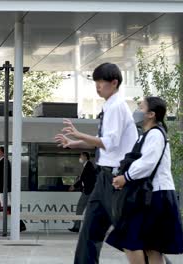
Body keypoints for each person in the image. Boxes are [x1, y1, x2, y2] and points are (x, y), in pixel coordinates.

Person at [55, 62, 138, 264]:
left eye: (101, 82)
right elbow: (99, 139)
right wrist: (72, 143)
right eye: (96, 82)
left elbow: (109, 143)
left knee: (130, 235)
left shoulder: (117, 107)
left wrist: (77, 134)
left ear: (114, 82)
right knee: (89, 232)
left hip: (116, 179)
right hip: (104, 178)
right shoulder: (109, 106)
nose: (97, 86)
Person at [107, 96, 183, 264]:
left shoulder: (155, 135)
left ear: (151, 114)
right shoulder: (147, 135)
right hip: (151, 195)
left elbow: (147, 163)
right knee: (150, 246)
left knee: (134, 241)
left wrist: (126, 178)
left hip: (155, 195)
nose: (137, 111)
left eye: (140, 107)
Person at [0, 146, 26, 233]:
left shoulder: (4, 162)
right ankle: (21, 226)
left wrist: (3, 191)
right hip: (2, 191)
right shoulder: (3, 162)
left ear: (2, 152)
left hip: (3, 191)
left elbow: (6, 178)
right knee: (2, 209)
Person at [69, 152, 97, 233]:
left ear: (85, 157)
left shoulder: (89, 166)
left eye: (80, 156)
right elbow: (83, 179)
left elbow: (85, 179)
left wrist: (74, 186)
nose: (80, 158)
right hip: (88, 191)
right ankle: (77, 226)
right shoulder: (87, 166)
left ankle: (77, 227)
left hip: (87, 191)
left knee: (80, 208)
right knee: (83, 209)